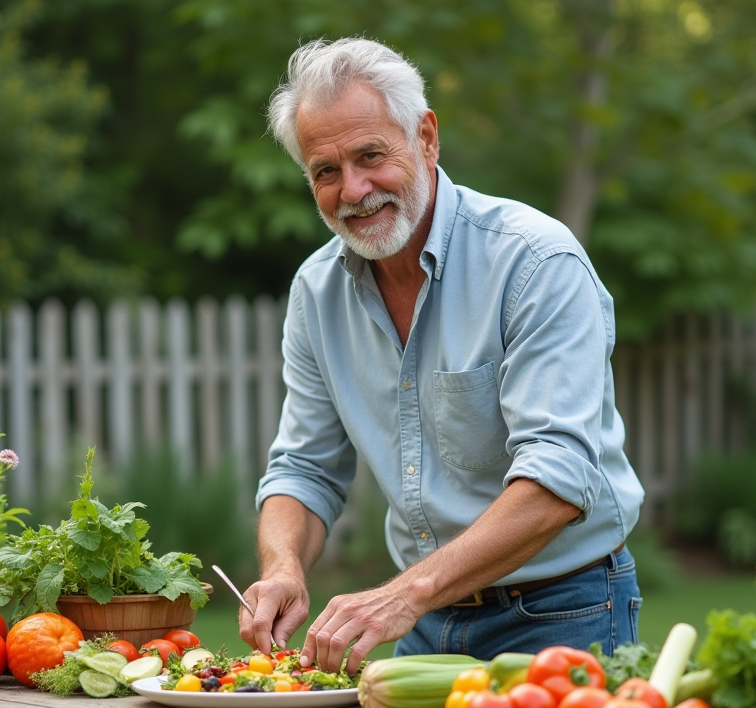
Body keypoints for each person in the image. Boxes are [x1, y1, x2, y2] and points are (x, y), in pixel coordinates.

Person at [239, 37, 644, 674]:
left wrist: (403, 594)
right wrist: (283, 566)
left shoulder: (535, 260)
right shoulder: (317, 293)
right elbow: (304, 470)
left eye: (371, 155)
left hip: (567, 610)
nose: (354, 189)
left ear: (426, 138)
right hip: (426, 622)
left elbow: (559, 480)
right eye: (325, 171)